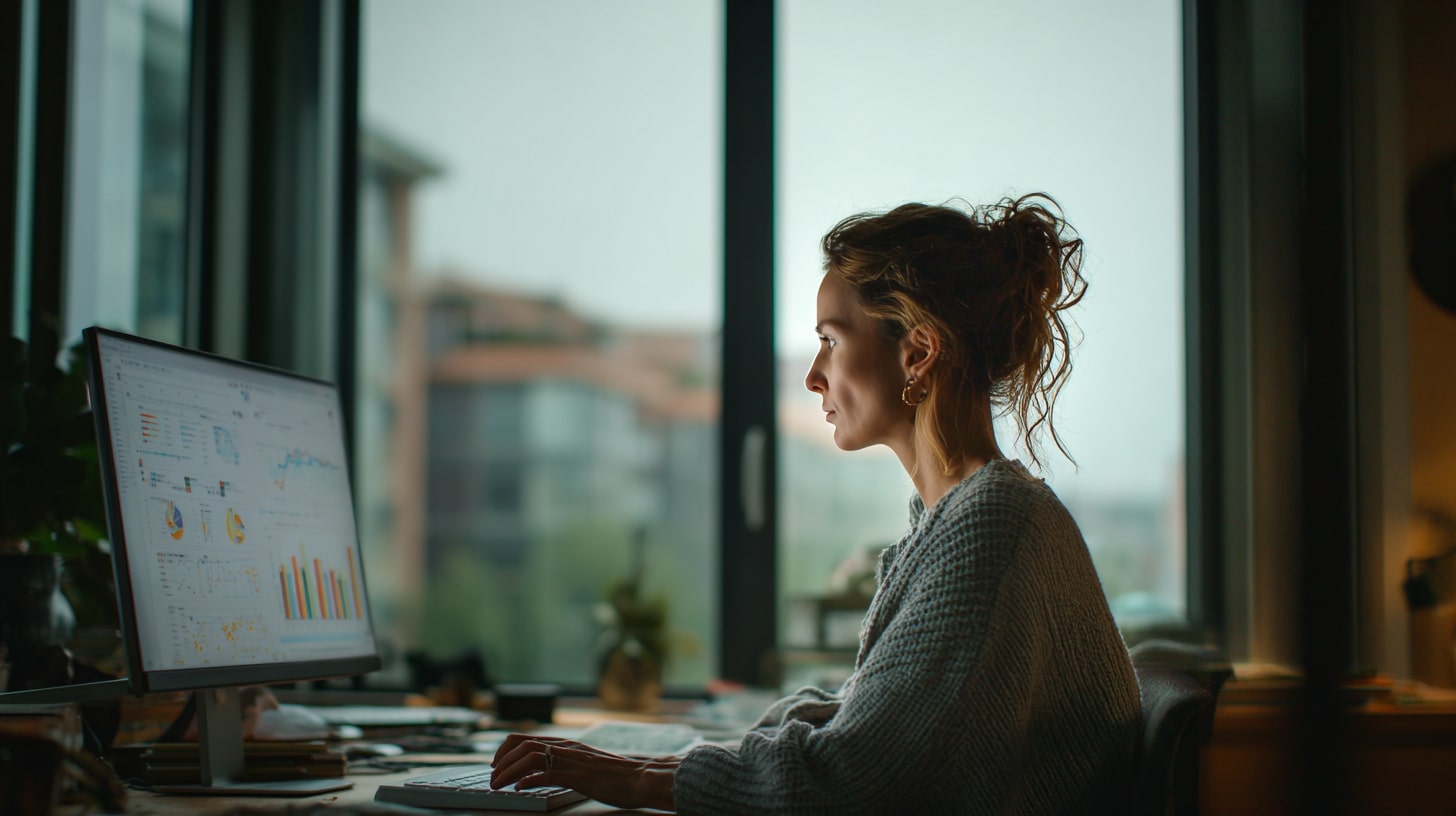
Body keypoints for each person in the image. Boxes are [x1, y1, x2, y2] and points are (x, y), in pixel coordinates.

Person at [490, 193, 1142, 814]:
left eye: (831, 339)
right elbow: (868, 718)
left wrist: (633, 777)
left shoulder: (990, 529)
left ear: (917, 353)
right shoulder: (966, 519)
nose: (812, 375)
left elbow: (848, 784)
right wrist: (673, 751)